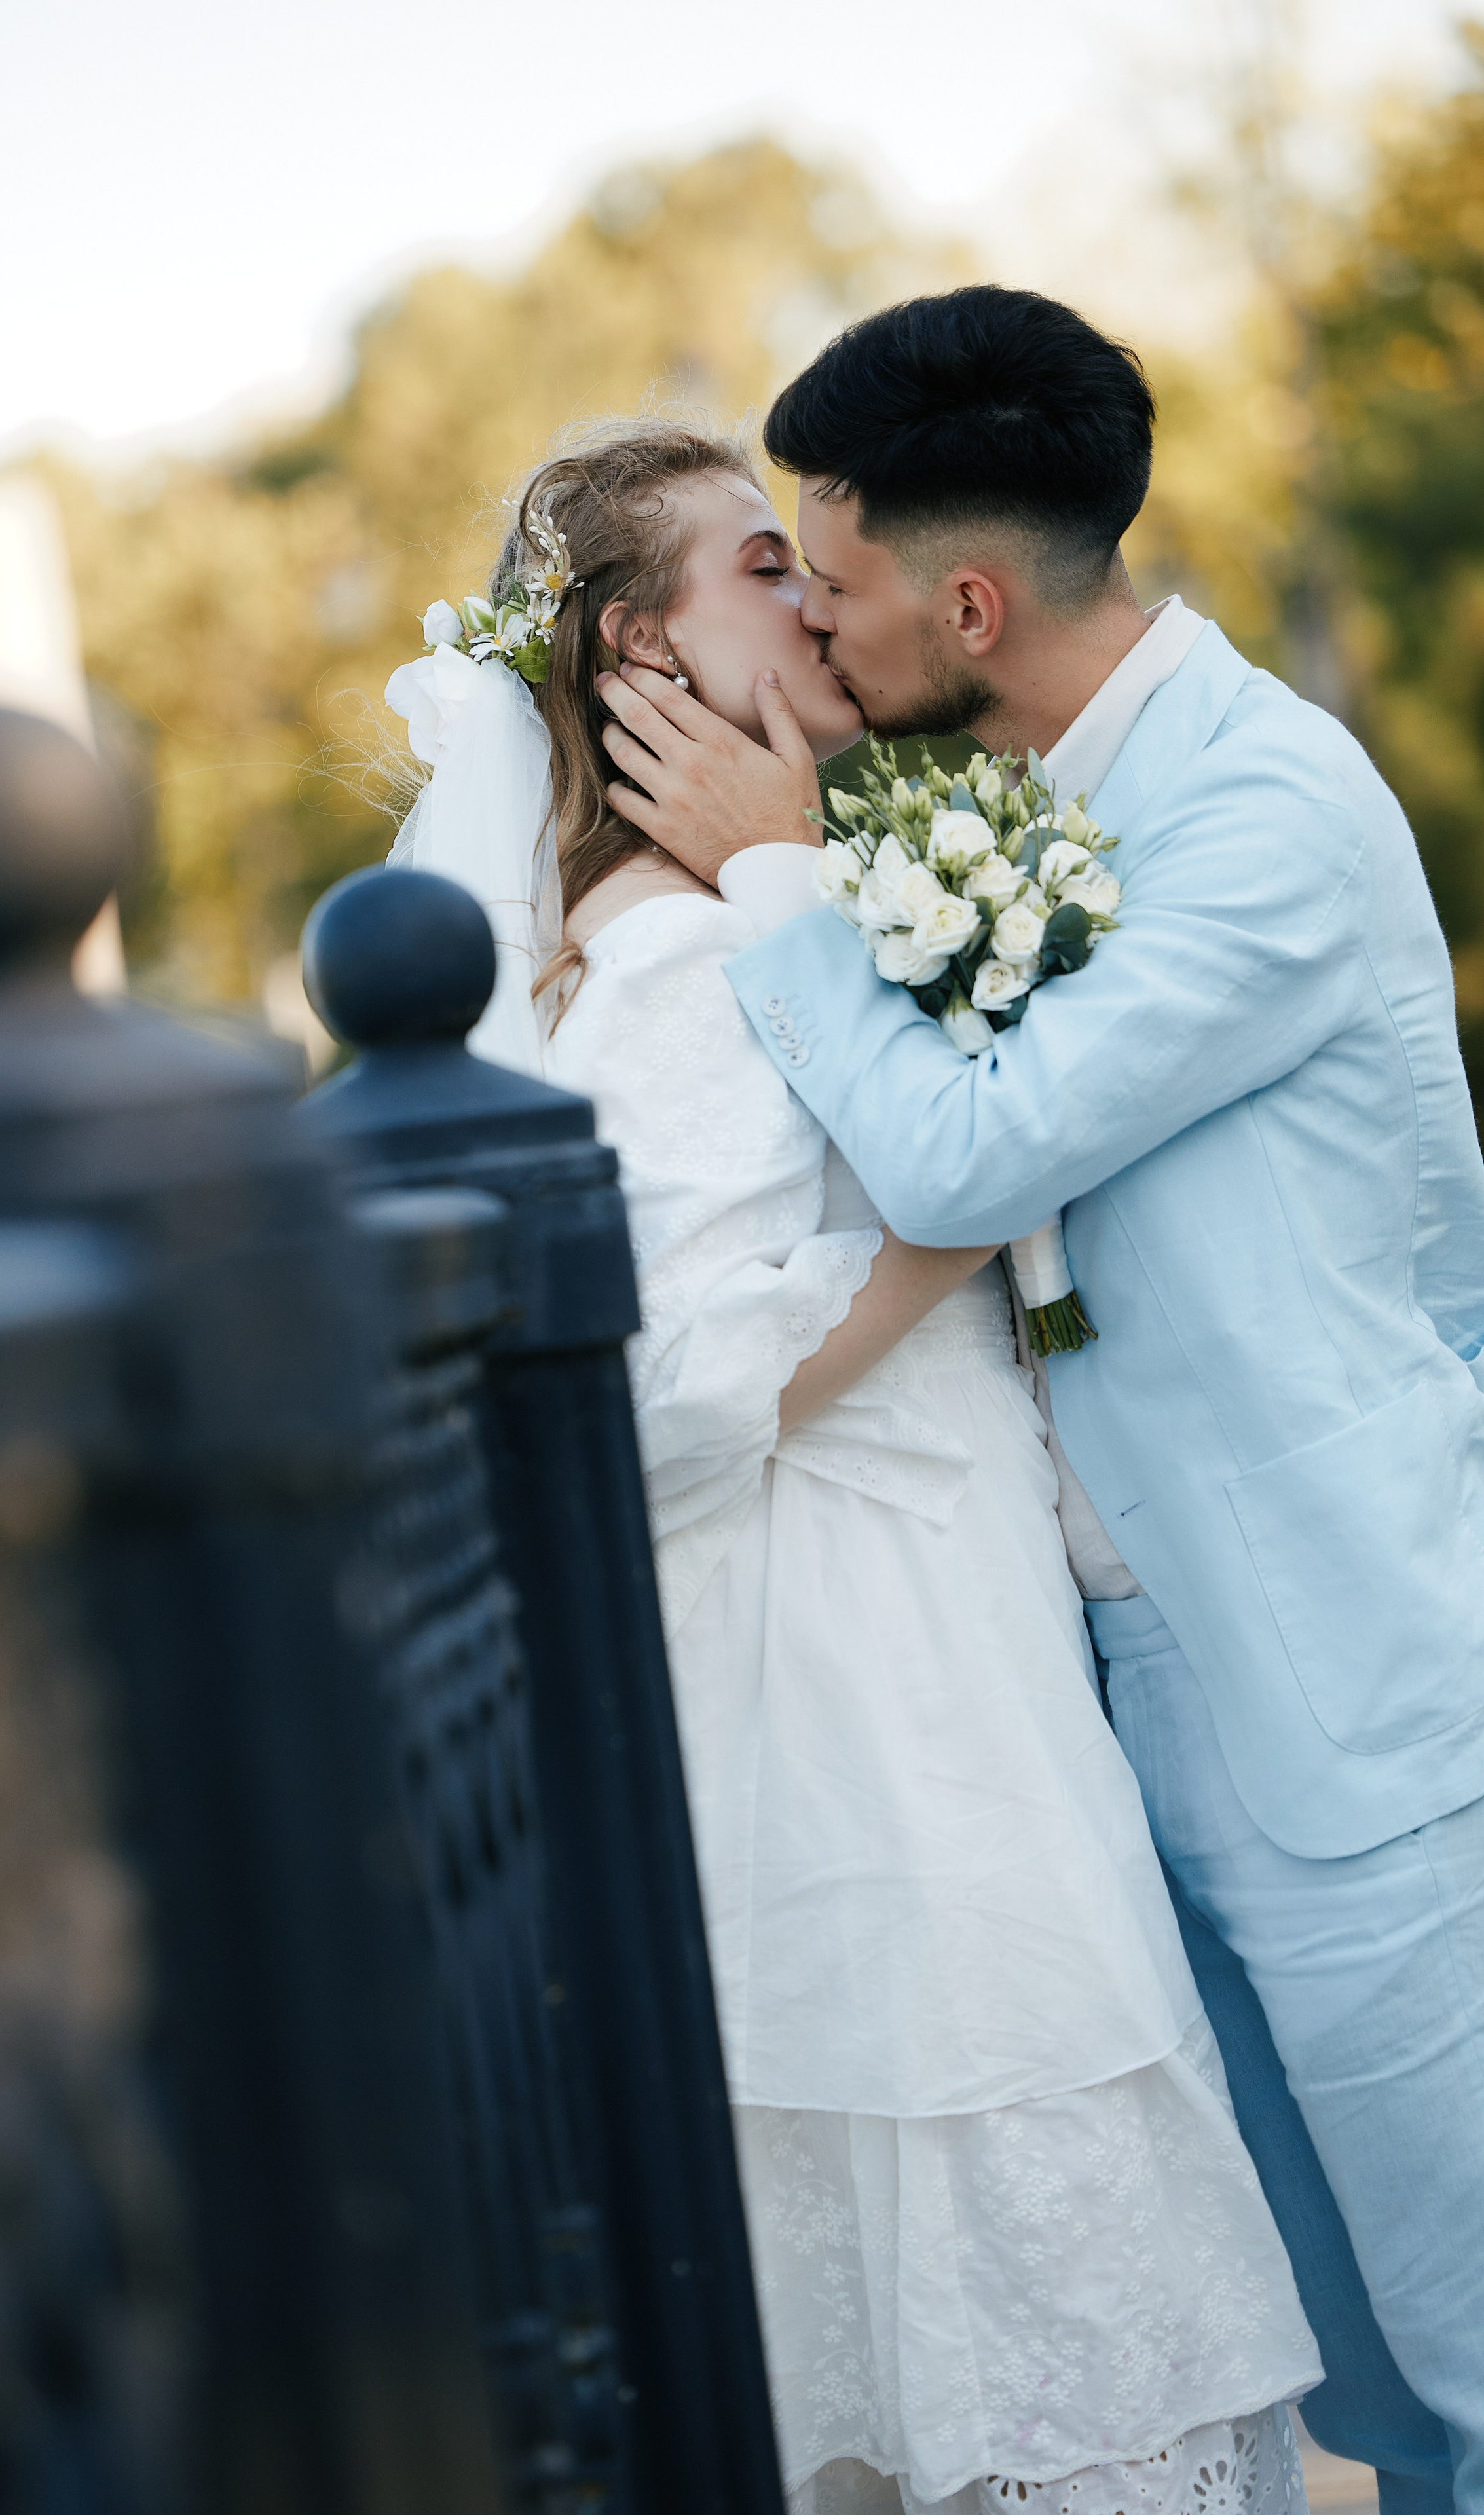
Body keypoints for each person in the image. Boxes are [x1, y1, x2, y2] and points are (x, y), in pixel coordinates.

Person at [595, 291, 1484, 2515]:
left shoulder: (1260, 807)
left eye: (834, 576)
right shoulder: (1019, 804)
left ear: (969, 605)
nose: (817, 617)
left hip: (1344, 1692)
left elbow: (973, 1161)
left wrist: (779, 877)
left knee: (1473, 2344)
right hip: (1098, 1696)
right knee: (1364, 2379)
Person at [385, 417, 1319, 2515]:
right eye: (755, 566)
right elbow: (655, 1388)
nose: (812, 595)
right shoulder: (689, 959)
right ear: (638, 650)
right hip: (875, 1703)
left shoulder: (755, 917)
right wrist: (959, 1219)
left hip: (936, 1633)